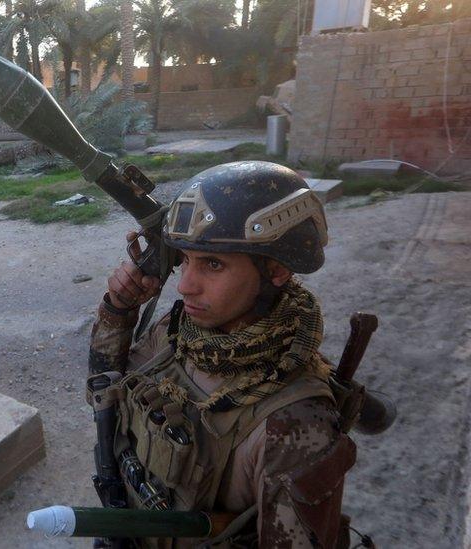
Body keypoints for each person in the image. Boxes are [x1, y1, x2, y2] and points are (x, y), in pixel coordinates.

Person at [89, 161, 355, 548]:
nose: (185, 286)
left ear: (277, 270)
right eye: (185, 259)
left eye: (213, 264)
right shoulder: (181, 331)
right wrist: (118, 310)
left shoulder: (295, 423)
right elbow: (103, 395)